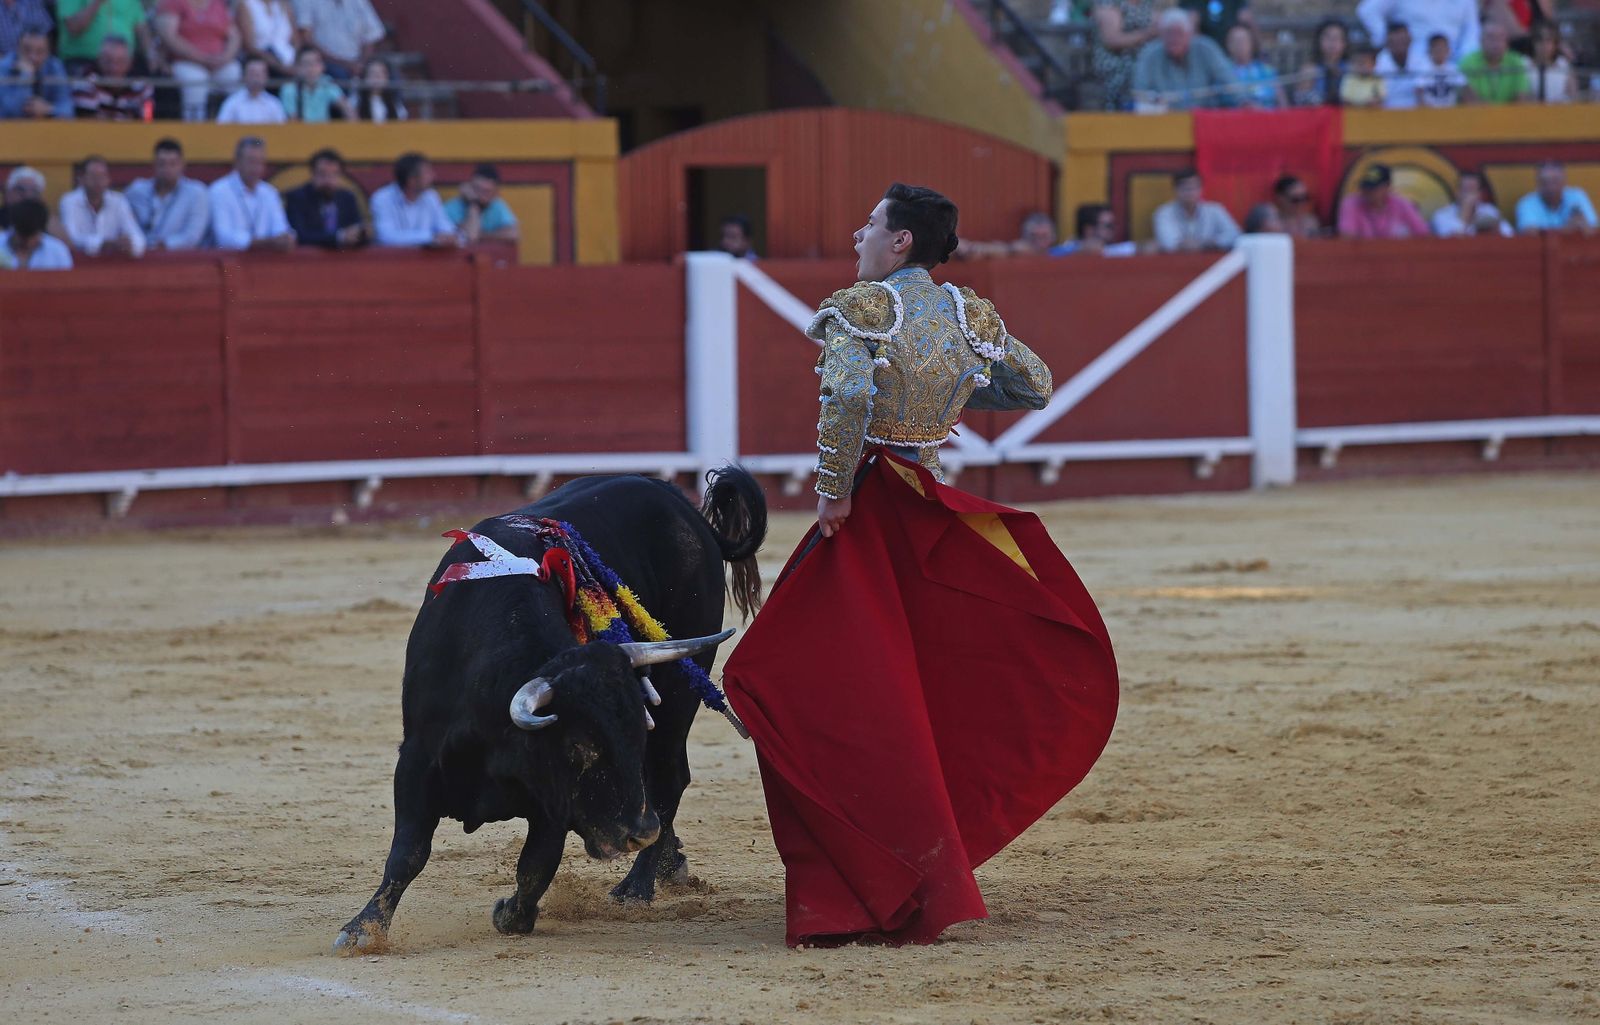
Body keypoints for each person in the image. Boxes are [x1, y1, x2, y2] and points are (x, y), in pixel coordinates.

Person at [720, 182, 1117, 949]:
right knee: (913, 693)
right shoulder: (970, 313)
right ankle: (912, 862)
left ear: (900, 242)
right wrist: (960, 383)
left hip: (870, 513)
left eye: (870, 222)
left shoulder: (862, 309)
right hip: (925, 507)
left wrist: (833, 494)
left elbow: (843, 395)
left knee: (790, 681)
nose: (858, 231)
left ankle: (862, 875)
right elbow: (1031, 384)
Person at [1132, 9, 1236, 110]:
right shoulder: (1150, 55)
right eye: (1169, 33)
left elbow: (1229, 81)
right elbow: (1139, 92)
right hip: (1164, 118)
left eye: (1179, 33)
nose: (1174, 39)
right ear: (1161, 36)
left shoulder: (1206, 49)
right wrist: (1152, 101)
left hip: (1204, 116)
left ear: (1189, 34)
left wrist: (1243, 100)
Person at [155, 0, 242, 122]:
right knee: (196, 80)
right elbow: (169, 37)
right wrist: (201, 58)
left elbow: (234, 35)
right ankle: (195, 128)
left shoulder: (217, 3)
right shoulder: (173, 3)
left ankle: (231, 124)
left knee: (233, 72)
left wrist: (226, 57)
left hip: (218, 62)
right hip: (185, 61)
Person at [208, 135, 294, 251]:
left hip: (264, 263)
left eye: (260, 162)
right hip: (229, 263)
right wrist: (265, 243)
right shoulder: (219, 191)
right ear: (237, 162)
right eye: (251, 161)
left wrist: (286, 238)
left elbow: (281, 229)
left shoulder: (269, 192)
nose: (256, 168)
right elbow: (223, 238)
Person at [125, 137, 211, 251]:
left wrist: (165, 245)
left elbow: (192, 236)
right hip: (140, 256)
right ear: (154, 164)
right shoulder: (136, 192)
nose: (167, 169)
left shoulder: (196, 193)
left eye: (173, 164)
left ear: (182, 165)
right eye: (162, 164)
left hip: (180, 260)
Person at [59, 154, 146, 258]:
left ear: (108, 179)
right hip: (80, 264)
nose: (98, 181)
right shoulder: (69, 201)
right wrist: (103, 244)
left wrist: (130, 244)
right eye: (93, 176)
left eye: (102, 176)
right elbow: (71, 239)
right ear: (81, 179)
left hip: (113, 265)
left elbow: (138, 238)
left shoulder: (118, 201)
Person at [370, 151, 459, 248]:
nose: (433, 176)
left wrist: (451, 236)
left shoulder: (431, 197)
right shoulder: (382, 198)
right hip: (392, 261)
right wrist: (431, 237)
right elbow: (386, 236)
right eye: (427, 173)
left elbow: (444, 226)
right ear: (411, 180)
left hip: (426, 261)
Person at [283, 147, 367, 249]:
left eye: (334, 175)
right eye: (322, 174)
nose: (328, 181)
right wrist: (339, 237)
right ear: (313, 174)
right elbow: (299, 236)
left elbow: (356, 228)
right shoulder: (297, 198)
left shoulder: (347, 198)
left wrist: (361, 233)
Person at [1356, 0, 1478, 65]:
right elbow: (1367, 11)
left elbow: (1472, 29)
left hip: (1454, 62)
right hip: (1411, 64)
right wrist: (1388, 41)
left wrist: (1464, 57)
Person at [1091, 0, 1158, 111]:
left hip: (1147, 57)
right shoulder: (1108, 4)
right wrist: (1148, 34)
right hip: (1116, 60)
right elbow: (1112, 40)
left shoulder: (1148, 3)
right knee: (1138, 72)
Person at [56, 0, 153, 75]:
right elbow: (73, 27)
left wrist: (151, 55)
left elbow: (141, 28)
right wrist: (96, 3)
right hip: (84, 61)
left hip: (124, 65)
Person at [294, 0, 385, 80]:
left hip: (358, 63)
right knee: (339, 74)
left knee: (380, 74)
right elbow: (306, 38)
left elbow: (372, 35)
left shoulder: (359, 1)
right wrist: (344, 64)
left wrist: (361, 63)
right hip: (325, 62)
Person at [1153, 169, 1240, 252]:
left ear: (1201, 189)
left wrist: (1207, 243)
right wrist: (1187, 246)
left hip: (1212, 262)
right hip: (1177, 262)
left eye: (1194, 188)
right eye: (1186, 188)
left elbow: (1235, 234)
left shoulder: (1215, 210)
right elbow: (1169, 243)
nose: (1190, 192)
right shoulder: (1164, 213)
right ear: (1175, 190)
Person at [1337, 163, 1430, 238]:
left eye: (1374, 188)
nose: (1368, 192)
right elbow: (1346, 239)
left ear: (1387, 187)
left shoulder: (1401, 204)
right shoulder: (1351, 204)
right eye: (1366, 187)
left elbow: (1423, 234)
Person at [73, 33, 152, 119]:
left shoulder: (142, 85)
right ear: (99, 60)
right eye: (108, 61)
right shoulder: (85, 81)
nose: (114, 67)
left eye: (120, 61)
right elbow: (88, 122)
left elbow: (147, 121)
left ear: (130, 62)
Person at [0, 30, 73, 119]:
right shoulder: (4, 66)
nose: (33, 57)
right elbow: (10, 112)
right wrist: (26, 76)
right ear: (17, 49)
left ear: (48, 53)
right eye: (27, 50)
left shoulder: (54, 66)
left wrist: (48, 109)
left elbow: (68, 110)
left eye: (40, 51)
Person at [1515, 162, 1598, 234]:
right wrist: (1567, 229)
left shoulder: (1577, 196)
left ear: (1564, 182)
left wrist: (1583, 225)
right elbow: (1529, 233)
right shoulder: (1526, 203)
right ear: (1538, 185)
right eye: (1545, 182)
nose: (1551, 188)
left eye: (1555, 181)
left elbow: (1593, 229)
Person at [1460, 21, 1530, 104]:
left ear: (1507, 42)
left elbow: (1521, 98)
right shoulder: (1468, 62)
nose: (1496, 43)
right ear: (1480, 41)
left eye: (1500, 38)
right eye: (1491, 38)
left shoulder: (1516, 62)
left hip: (1510, 116)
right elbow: (1470, 99)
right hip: (1478, 115)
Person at [279, 44, 351, 122]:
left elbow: (348, 109)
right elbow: (293, 121)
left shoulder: (326, 83)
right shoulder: (289, 89)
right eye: (306, 64)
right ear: (297, 67)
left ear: (322, 66)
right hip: (301, 132)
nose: (311, 69)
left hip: (325, 132)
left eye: (315, 63)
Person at [1431, 171, 1512, 237]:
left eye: (1473, 190)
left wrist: (1495, 228)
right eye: (1466, 190)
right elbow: (1454, 241)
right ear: (1457, 193)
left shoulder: (1490, 211)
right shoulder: (1442, 215)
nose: (1470, 195)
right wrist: (1466, 211)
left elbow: (1509, 235)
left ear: (1480, 194)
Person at [0, 198, 73, 270]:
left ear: (41, 231)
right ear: (13, 227)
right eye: (23, 236)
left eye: (31, 236)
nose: (27, 242)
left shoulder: (57, 251)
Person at [1224, 24, 1282, 108]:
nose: (1240, 45)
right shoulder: (1223, 72)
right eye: (1236, 41)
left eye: (1243, 41)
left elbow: (1282, 102)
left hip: (1267, 117)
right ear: (1228, 45)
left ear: (1251, 43)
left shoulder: (1266, 70)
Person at [0, 164, 66, 238]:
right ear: (8, 193)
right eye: (21, 189)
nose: (28, 195)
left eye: (34, 191)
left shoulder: (48, 220)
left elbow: (67, 245)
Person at [217, 55, 287, 123]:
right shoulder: (232, 102)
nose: (256, 79)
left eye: (259, 74)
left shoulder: (274, 104)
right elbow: (221, 129)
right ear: (244, 76)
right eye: (252, 74)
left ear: (266, 77)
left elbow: (282, 131)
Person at [1295, 18, 1348, 106]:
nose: (1332, 43)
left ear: (1344, 43)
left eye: (1337, 38)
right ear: (1319, 41)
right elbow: (1301, 100)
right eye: (1328, 38)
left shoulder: (1351, 68)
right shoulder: (1309, 69)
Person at [238, 0, 299, 77]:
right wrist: (279, 66)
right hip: (261, 57)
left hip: (288, 57)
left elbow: (296, 40)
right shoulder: (247, 4)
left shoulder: (284, 5)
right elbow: (249, 46)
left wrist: (298, 60)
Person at [1050, 203, 1136, 256]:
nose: (1113, 229)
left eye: (1113, 225)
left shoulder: (1109, 251)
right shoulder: (1068, 251)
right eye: (1108, 226)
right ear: (1089, 229)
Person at [1416, 31, 1470, 107]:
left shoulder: (1453, 69)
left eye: (1442, 48)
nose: (1440, 52)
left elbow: (1465, 89)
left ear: (1448, 50)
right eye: (1436, 49)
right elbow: (1419, 92)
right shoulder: (1422, 69)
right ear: (1429, 51)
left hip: (1450, 112)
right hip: (1429, 112)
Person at [1375, 22, 1420, 109]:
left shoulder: (1420, 58)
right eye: (1396, 41)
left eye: (1403, 40)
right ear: (1388, 42)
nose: (1400, 44)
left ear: (1409, 40)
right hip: (1387, 113)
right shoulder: (1378, 62)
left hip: (1417, 113)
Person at [1525, 22, 1574, 103]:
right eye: (1540, 40)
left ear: (1555, 44)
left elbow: (1573, 96)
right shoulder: (1523, 64)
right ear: (1533, 42)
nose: (1544, 45)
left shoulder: (1563, 65)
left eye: (1548, 40)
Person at [350, 56, 405, 121]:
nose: (377, 77)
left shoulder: (395, 102)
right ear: (365, 77)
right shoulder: (356, 101)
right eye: (372, 73)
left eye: (381, 74)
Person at [1181, 0, 1253, 48]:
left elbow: (1244, 14)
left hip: (1230, 42)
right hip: (1202, 42)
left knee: (1240, 34)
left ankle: (1247, 67)